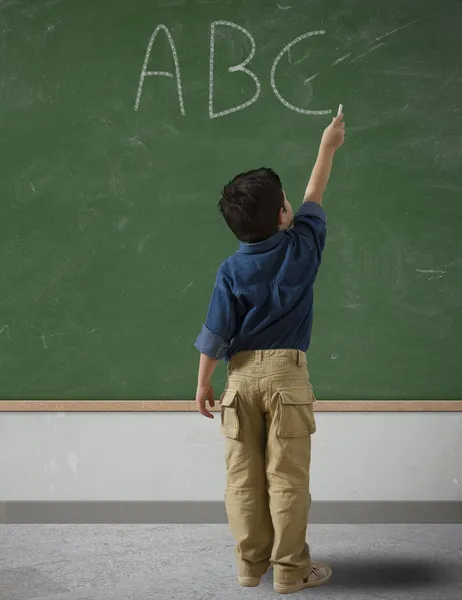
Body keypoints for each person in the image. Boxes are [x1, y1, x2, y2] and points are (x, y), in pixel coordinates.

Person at [193, 110, 346, 594]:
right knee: (287, 480)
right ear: (284, 216)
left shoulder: (229, 270)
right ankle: (290, 571)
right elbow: (314, 194)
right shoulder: (303, 247)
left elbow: (216, 331)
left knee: (242, 480)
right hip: (287, 378)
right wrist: (328, 146)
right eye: (286, 203)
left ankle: (248, 568)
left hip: (238, 380)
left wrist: (202, 384)